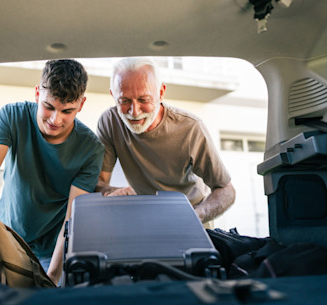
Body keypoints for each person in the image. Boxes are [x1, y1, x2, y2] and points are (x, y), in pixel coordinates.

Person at [0, 59, 104, 285]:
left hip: (50, 253)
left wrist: (52, 276)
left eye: (67, 111)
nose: (56, 119)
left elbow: (72, 220)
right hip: (6, 236)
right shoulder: (12, 116)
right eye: (49, 106)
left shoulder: (91, 149)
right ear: (37, 94)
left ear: (81, 105)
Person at [96, 57, 235, 227]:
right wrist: (113, 192)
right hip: (145, 218)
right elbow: (100, 182)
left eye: (144, 100)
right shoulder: (110, 121)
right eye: (124, 101)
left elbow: (226, 190)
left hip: (192, 215)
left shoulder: (191, 128)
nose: (134, 111)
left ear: (161, 93)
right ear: (113, 95)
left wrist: (196, 216)